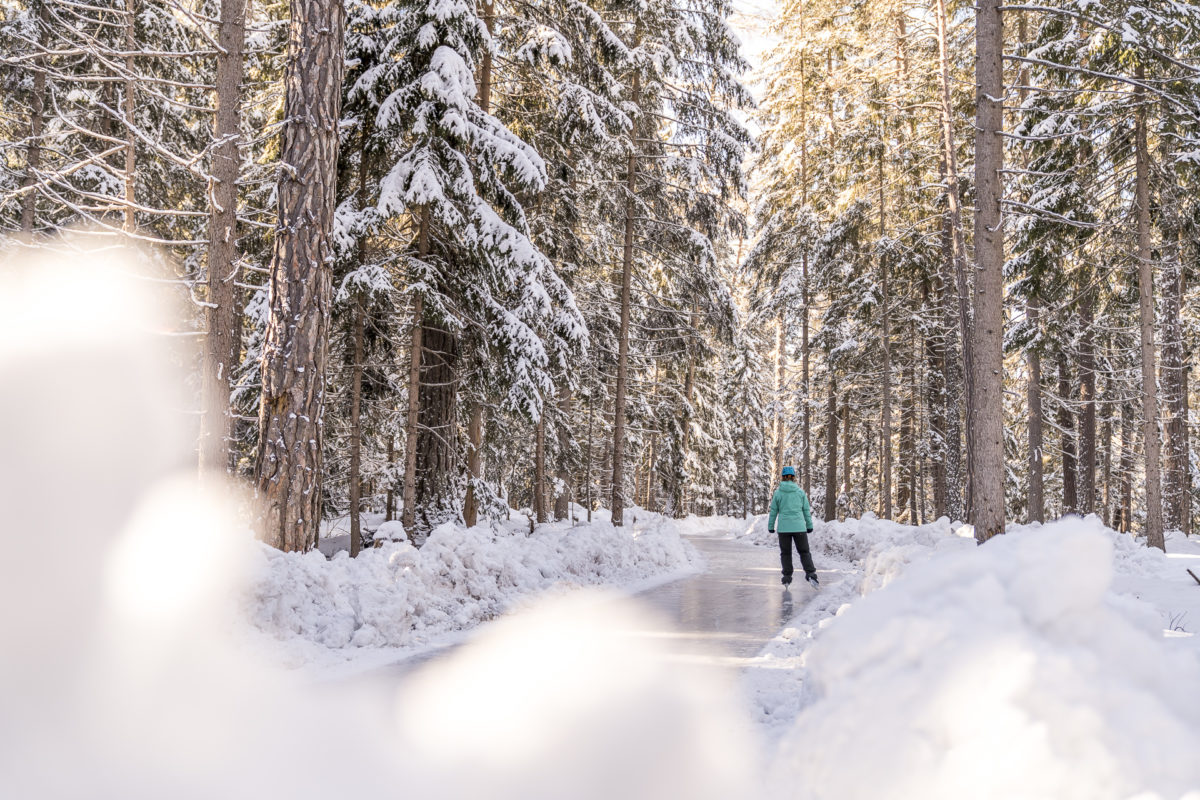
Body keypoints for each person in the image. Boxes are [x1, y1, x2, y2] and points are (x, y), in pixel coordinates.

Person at [767, 466, 818, 588]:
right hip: (799, 528)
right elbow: (806, 510)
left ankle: (787, 577)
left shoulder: (778, 493)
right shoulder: (800, 492)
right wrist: (809, 525)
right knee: (804, 552)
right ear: (793, 477)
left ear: (783, 477)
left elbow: (773, 511)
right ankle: (811, 574)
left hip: (784, 529)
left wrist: (771, 526)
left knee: (786, 553)